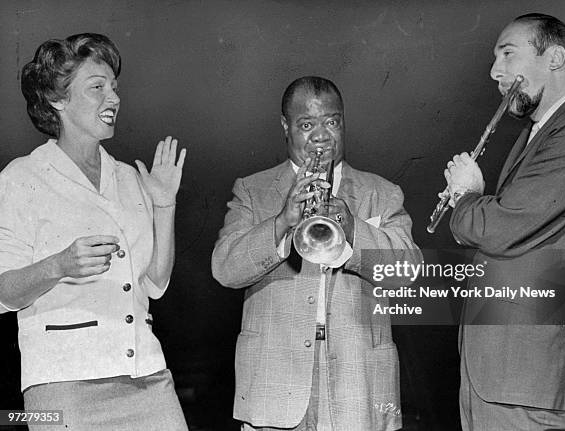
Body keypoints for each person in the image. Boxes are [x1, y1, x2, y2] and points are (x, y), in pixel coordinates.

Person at [0, 33, 188, 430]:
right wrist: (60, 264)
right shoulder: (21, 178)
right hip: (63, 383)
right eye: (97, 87)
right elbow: (5, 292)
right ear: (58, 99)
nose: (113, 99)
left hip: (147, 375)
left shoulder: (128, 178)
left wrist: (164, 204)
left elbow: (155, 284)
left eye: (114, 88)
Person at [212, 76, 422, 431]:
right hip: (274, 379)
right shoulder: (252, 190)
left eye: (332, 121)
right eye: (307, 124)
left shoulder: (383, 193)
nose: (321, 136)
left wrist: (352, 226)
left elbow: (410, 275)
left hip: (358, 381)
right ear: (286, 127)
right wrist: (281, 222)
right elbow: (224, 269)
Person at [443, 14, 565, 431]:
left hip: (534, 377)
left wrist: (464, 197)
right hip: (509, 375)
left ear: (554, 57)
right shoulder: (546, 127)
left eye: (507, 54)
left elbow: (498, 228)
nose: (495, 72)